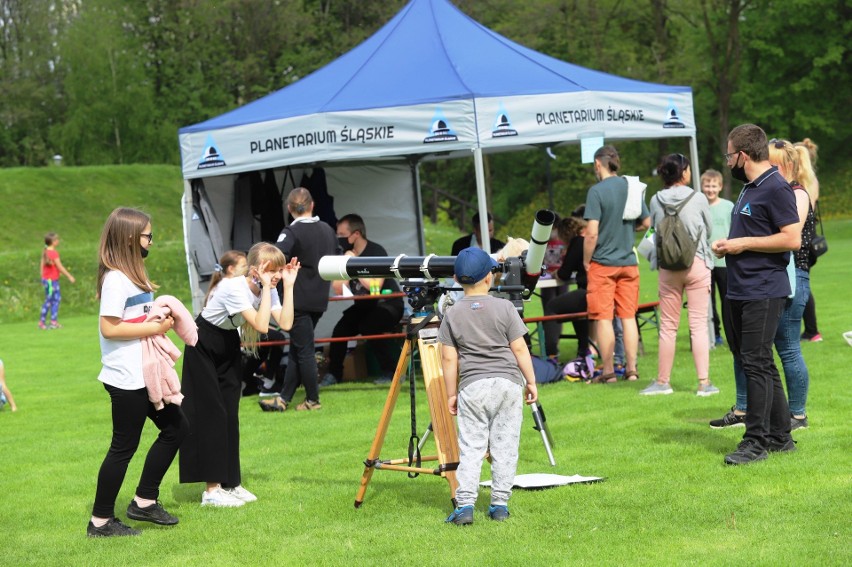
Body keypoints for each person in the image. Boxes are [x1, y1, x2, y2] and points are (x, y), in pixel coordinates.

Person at [88, 207, 189, 538]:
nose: (151, 241)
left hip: (143, 372)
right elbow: (109, 329)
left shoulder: (134, 275)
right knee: (124, 447)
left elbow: (137, 320)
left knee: (176, 428)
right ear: (131, 238)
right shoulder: (116, 278)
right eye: (148, 235)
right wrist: (152, 327)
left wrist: (159, 321)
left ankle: (144, 501)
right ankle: (100, 523)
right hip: (126, 377)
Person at [180, 243, 299, 507]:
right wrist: (270, 289)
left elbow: (287, 324)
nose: (278, 274)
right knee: (213, 415)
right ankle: (211, 491)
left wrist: (288, 286)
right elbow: (259, 324)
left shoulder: (269, 289)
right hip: (203, 344)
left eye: (280, 269)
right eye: (273, 269)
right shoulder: (233, 287)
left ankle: (231, 484)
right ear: (256, 268)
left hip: (228, 344)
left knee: (230, 415)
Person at [710, 139, 815, 432]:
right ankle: (778, 434)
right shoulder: (750, 188)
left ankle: (764, 434)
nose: (727, 161)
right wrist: (730, 245)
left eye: (729, 155)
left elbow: (791, 238)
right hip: (745, 285)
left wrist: (742, 244)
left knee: (772, 357)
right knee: (759, 361)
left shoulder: (782, 188)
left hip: (771, 285)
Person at [438, 247, 538, 525]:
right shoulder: (505, 307)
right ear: (489, 278)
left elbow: (448, 357)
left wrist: (450, 393)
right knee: (505, 445)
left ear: (458, 280)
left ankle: (465, 505)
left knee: (471, 447)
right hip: (507, 383)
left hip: (473, 385)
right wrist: (530, 381)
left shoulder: (452, 314)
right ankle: (499, 505)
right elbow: (519, 349)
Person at [640, 154, 718, 396]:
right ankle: (704, 383)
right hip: (696, 263)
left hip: (668, 267)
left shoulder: (655, 200)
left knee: (668, 327)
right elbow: (709, 229)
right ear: (684, 173)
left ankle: (663, 382)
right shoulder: (698, 197)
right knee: (698, 326)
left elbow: (653, 229)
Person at [260, 188, 337, 412]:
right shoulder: (328, 230)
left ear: (289, 208)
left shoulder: (290, 232)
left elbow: (277, 255)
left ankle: (313, 400)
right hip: (320, 297)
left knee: (303, 350)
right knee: (298, 346)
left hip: (298, 300)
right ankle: (284, 398)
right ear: (312, 205)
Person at [582, 145, 650, 384]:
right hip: (628, 263)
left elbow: (591, 234)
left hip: (603, 263)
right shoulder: (630, 186)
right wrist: (628, 229)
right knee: (628, 317)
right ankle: (631, 370)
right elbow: (646, 221)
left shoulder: (596, 191)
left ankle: (609, 371)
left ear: (598, 164)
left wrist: (585, 260)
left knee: (603, 317)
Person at [320, 214, 405, 386]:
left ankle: (392, 372)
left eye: (342, 235)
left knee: (369, 327)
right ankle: (334, 375)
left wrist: (354, 263)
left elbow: (375, 284)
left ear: (356, 234)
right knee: (340, 330)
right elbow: (338, 288)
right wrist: (345, 263)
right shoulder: (345, 254)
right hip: (364, 307)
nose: (339, 239)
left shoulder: (376, 251)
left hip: (388, 304)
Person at [542, 216, 589, 362]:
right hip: (601, 290)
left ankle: (551, 353)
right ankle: (583, 349)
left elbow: (563, 273)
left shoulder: (577, 242)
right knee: (576, 308)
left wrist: (556, 272)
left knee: (551, 306)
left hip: (589, 291)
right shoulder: (588, 240)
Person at [701, 169, 734, 347]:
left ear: (720, 186)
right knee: (708, 302)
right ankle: (715, 334)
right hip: (705, 262)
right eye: (707, 185)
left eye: (714, 186)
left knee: (728, 300)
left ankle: (732, 333)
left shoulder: (728, 206)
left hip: (725, 262)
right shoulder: (699, 206)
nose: (710, 189)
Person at [795, 137, 823, 342]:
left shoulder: (801, 183)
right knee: (802, 282)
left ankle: (812, 330)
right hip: (810, 236)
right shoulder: (812, 180)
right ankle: (811, 330)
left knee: (801, 284)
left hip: (803, 236)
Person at [39, 232, 76, 330]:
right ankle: (46, 322)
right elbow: (60, 267)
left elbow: (41, 267)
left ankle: (50, 321)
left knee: (53, 300)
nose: (58, 241)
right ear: (53, 242)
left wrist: (42, 278)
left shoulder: (45, 251)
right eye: (57, 240)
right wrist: (69, 276)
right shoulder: (53, 253)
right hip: (52, 282)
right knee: (52, 301)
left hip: (48, 281)